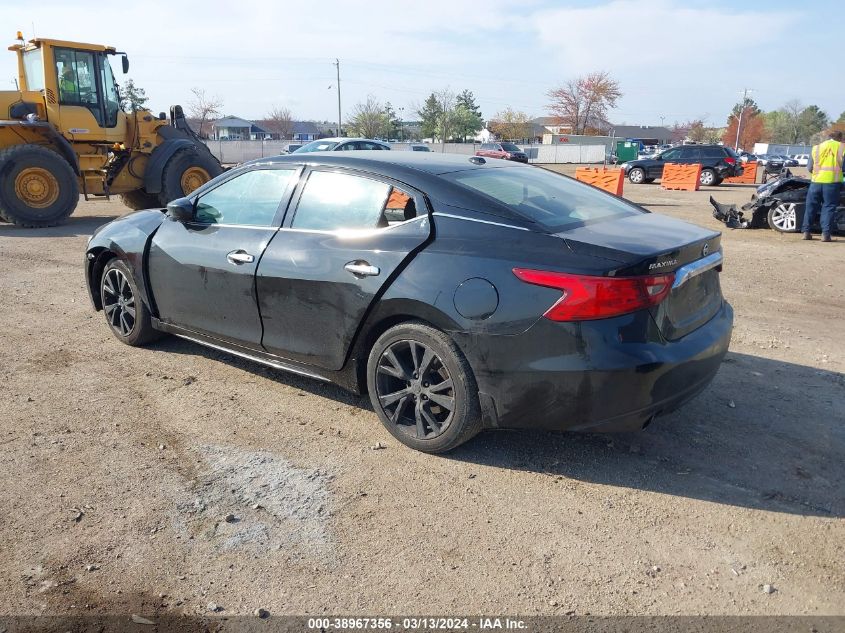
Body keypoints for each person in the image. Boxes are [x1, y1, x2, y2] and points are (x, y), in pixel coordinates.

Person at [803, 130, 844, 242]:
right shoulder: (842, 147)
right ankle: (825, 234)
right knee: (828, 207)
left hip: (815, 182)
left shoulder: (816, 147)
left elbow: (810, 167)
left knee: (811, 206)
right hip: (832, 183)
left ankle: (806, 232)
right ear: (840, 138)